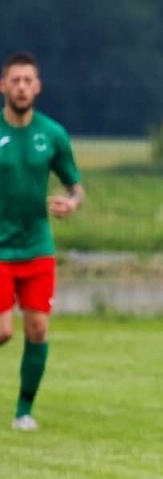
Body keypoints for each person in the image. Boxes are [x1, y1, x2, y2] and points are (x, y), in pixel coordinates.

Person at [1, 52, 85, 431]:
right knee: (2, 331)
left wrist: (71, 202)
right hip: (0, 249)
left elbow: (75, 186)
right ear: (3, 86)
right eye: (14, 80)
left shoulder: (52, 135)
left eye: (27, 80)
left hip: (37, 248)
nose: (21, 87)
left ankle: (23, 411)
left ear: (37, 87)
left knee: (37, 329)